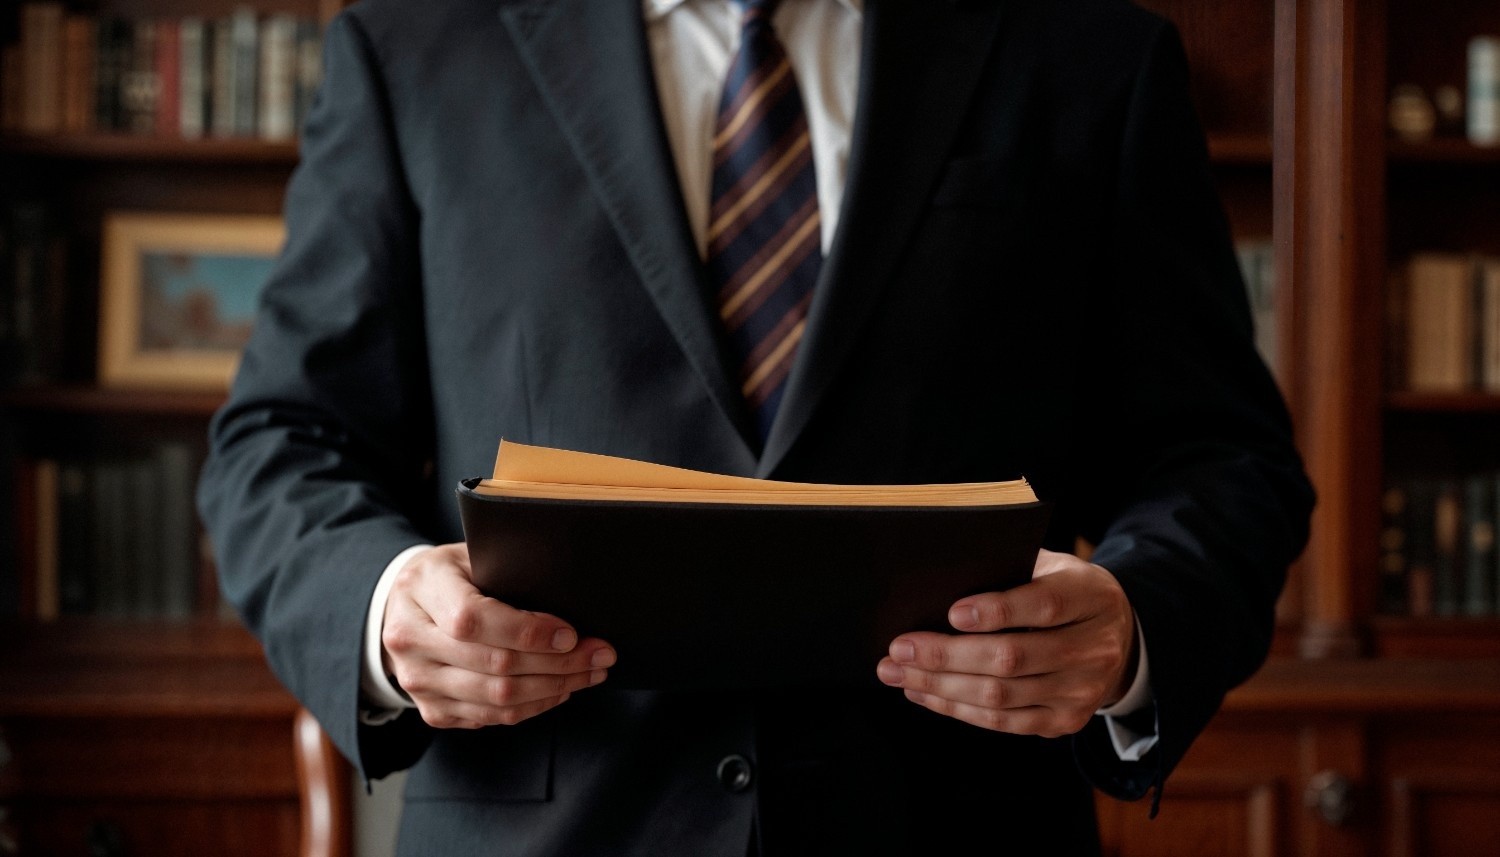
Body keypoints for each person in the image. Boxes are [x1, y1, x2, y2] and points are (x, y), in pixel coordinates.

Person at [198, 0, 1314, 854]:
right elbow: (280, 439)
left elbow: (1223, 456)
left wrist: (1134, 627)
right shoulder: (419, 51)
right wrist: (384, 605)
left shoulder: (1087, 55)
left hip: (958, 824)